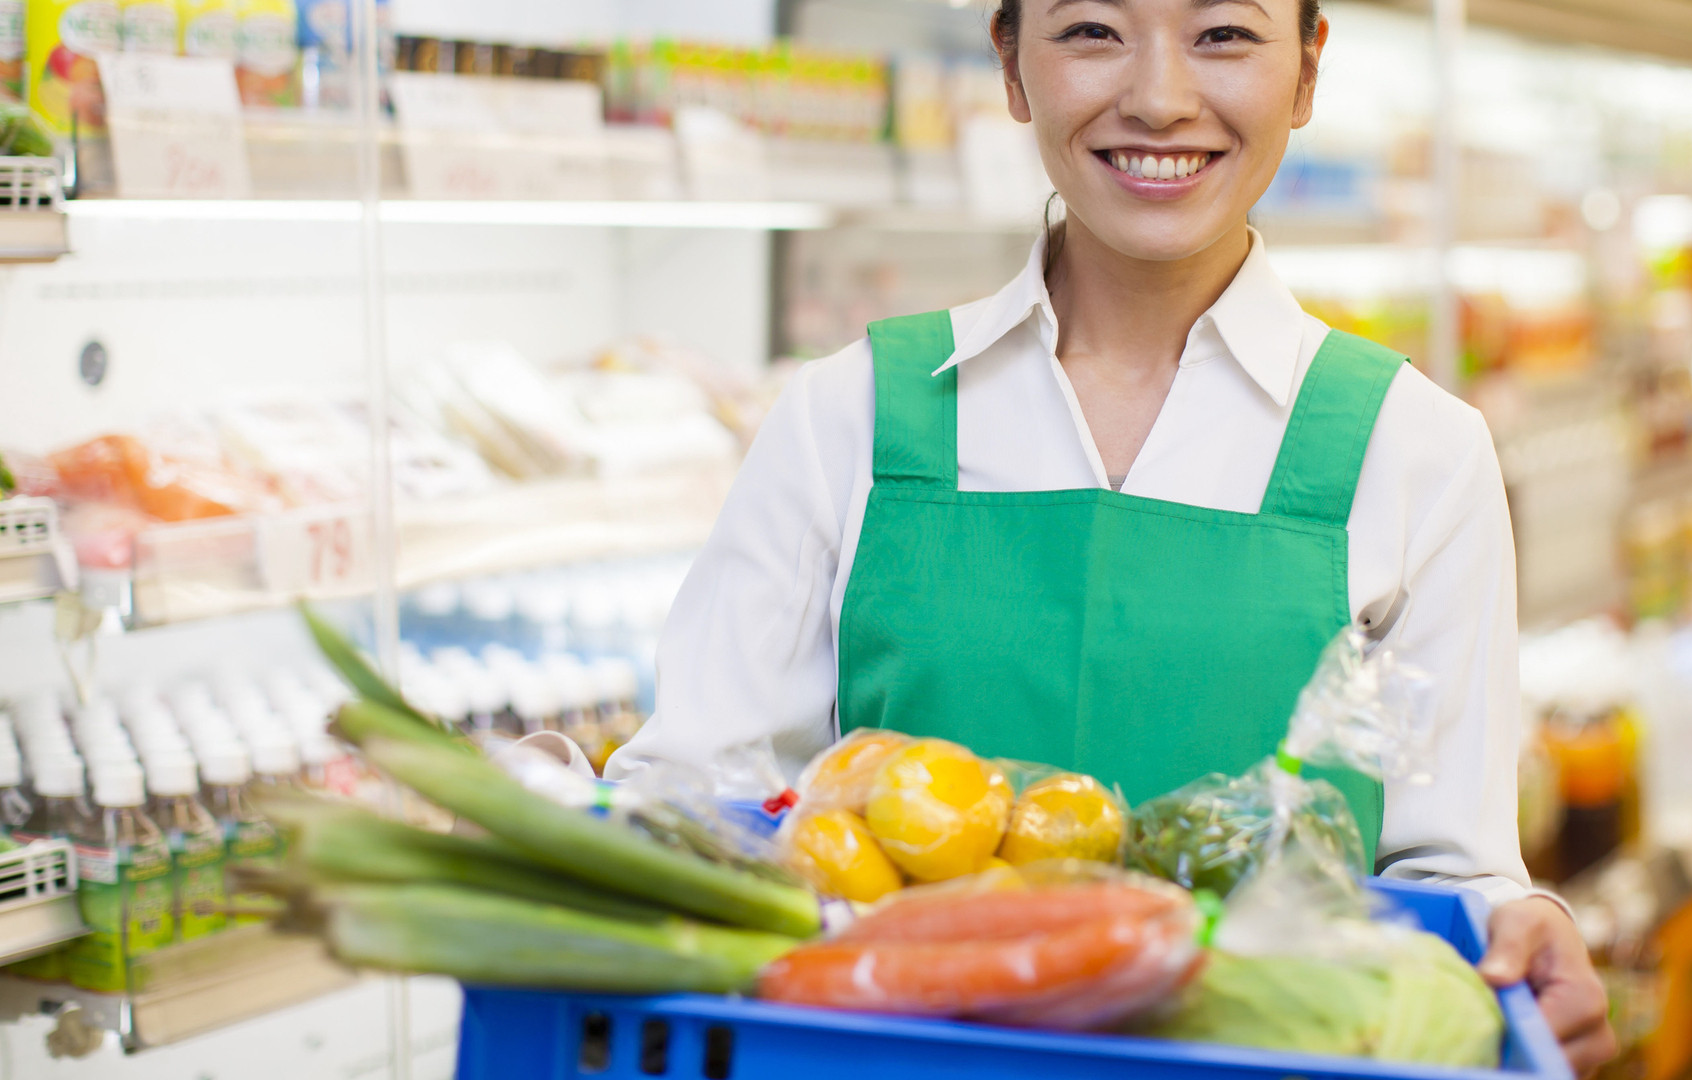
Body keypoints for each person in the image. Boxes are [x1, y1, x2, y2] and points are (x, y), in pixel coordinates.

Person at [607, 0, 1615, 1072]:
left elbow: (1444, 882)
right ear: (1010, 65)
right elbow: (696, 808)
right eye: (1092, 29)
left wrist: (1517, 927)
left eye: (1224, 34)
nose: (1160, 98)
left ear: (1307, 73)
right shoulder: (847, 419)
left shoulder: (1415, 453)